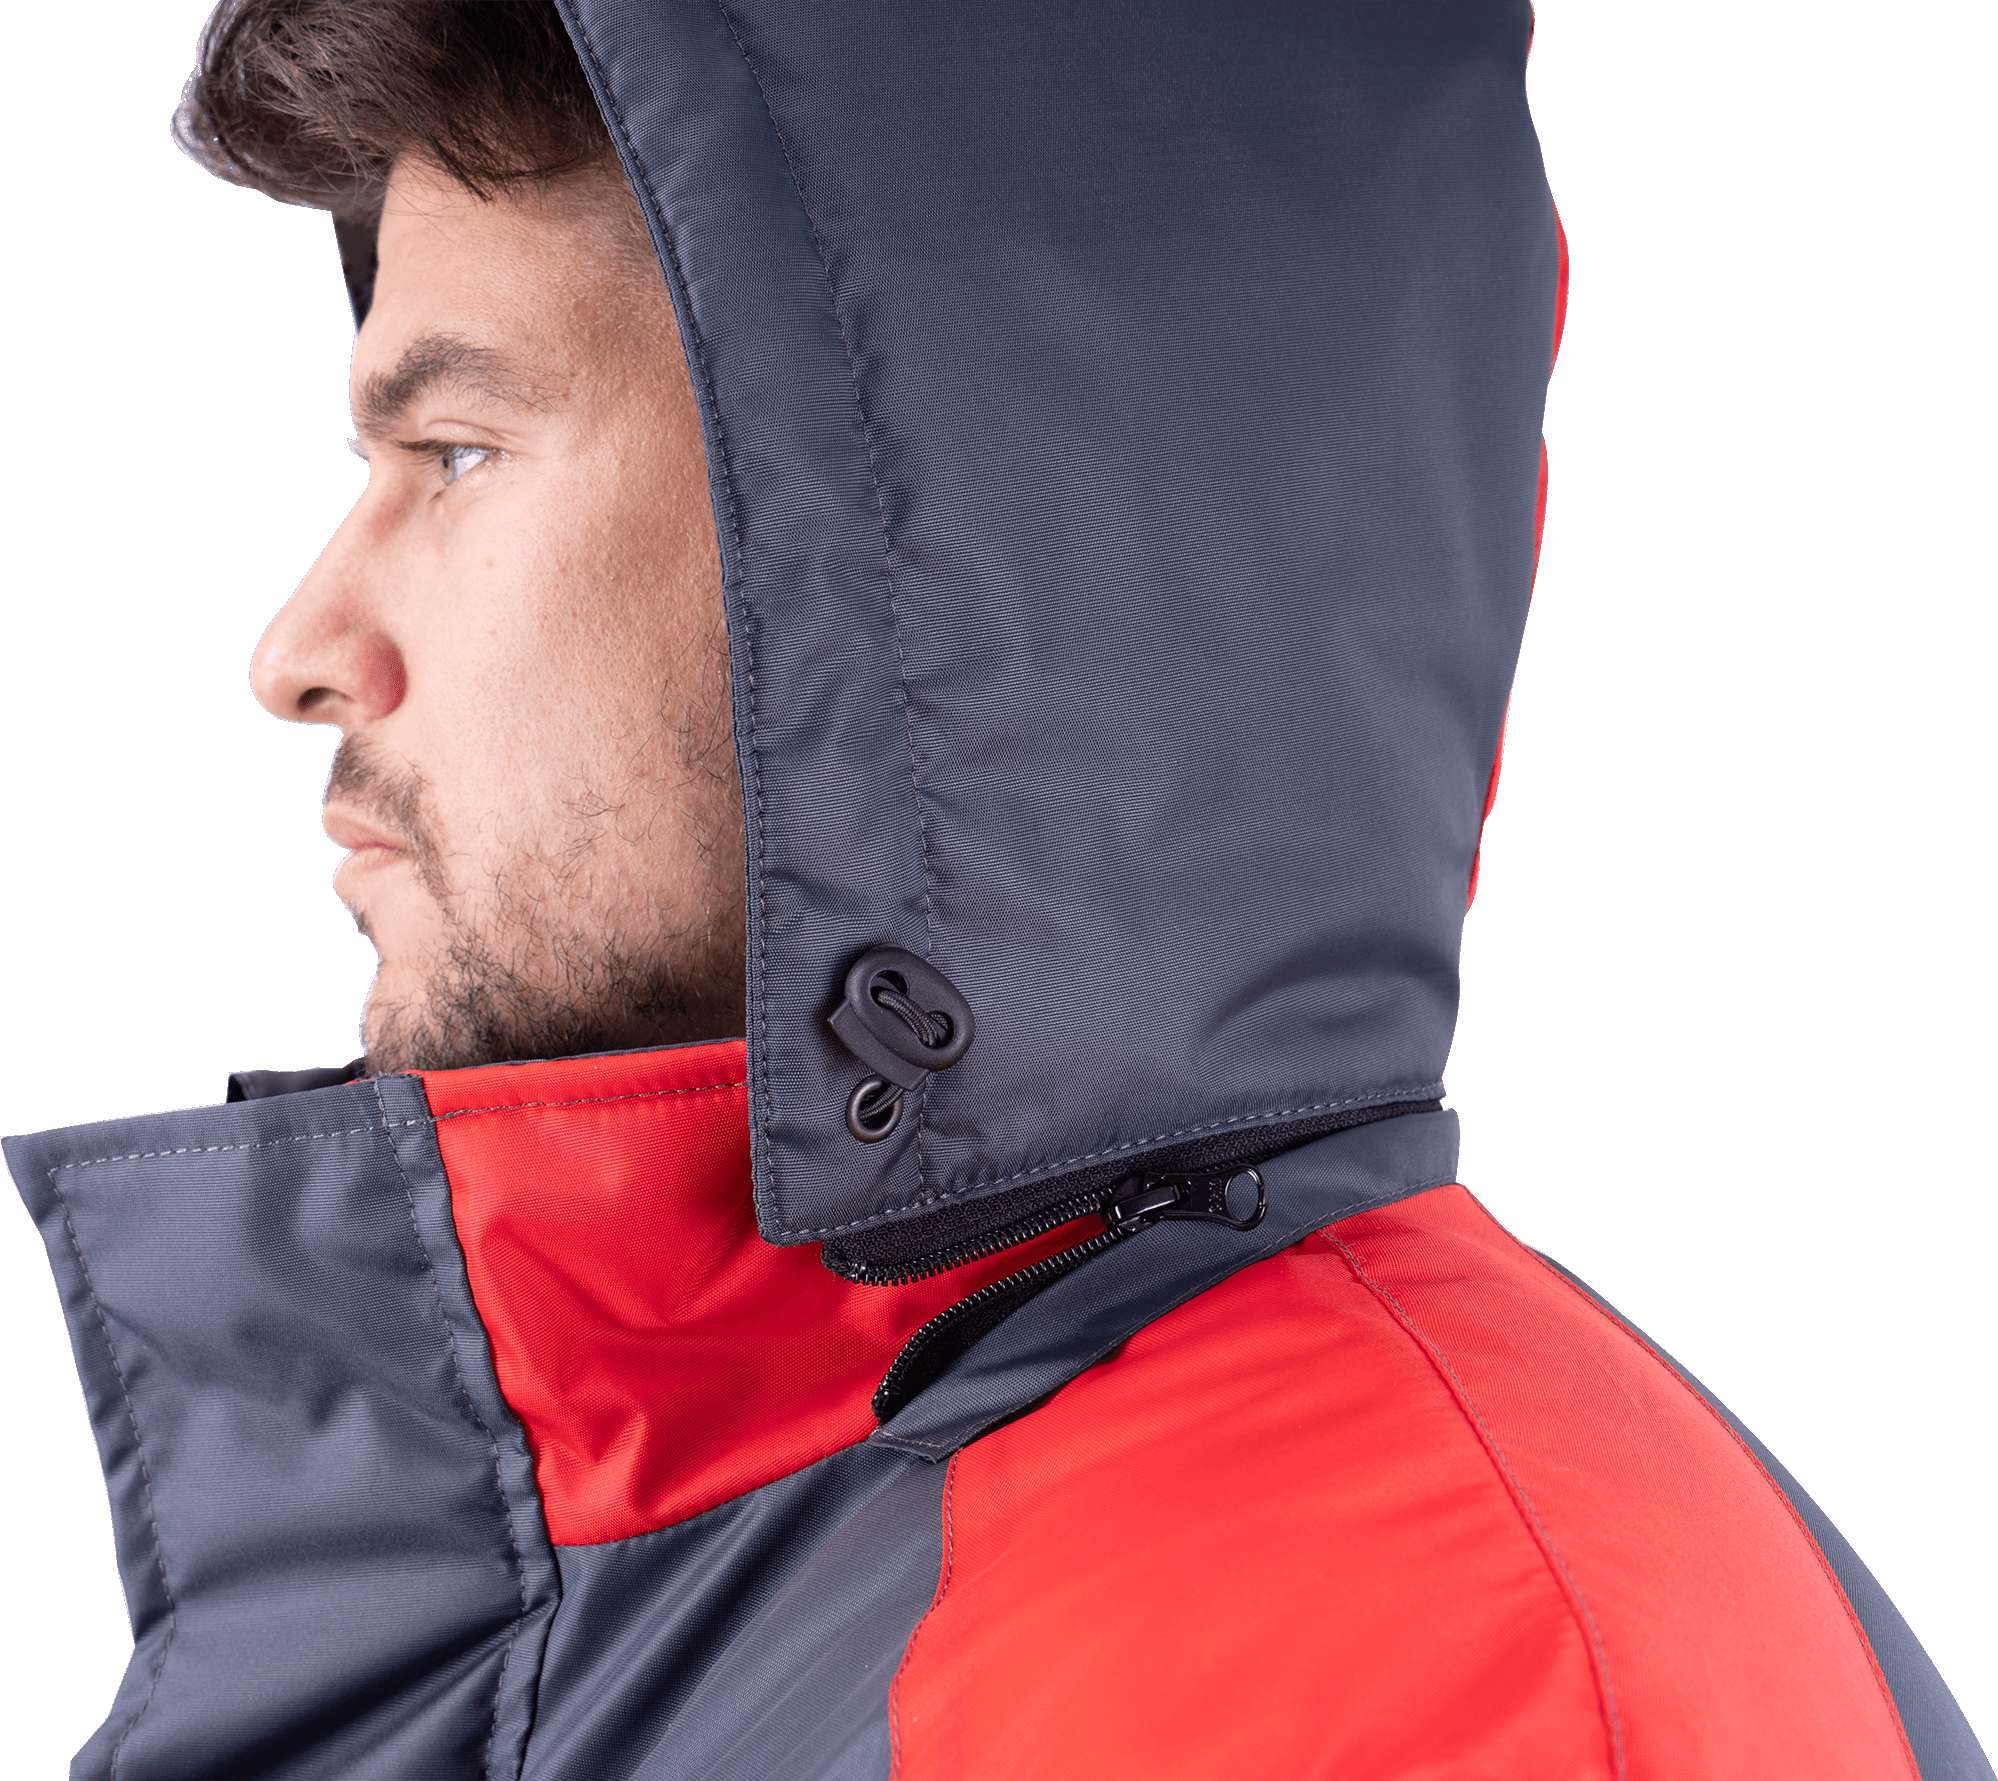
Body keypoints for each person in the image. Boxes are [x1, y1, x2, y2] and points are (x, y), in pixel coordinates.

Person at [6, 4, 1988, 1778]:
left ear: (933, 566)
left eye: (452, 452)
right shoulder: (697, 1512)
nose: (301, 649)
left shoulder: (1413, 1675)